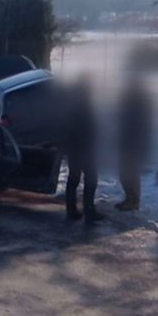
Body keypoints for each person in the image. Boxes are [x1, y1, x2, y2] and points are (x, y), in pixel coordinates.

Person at [61, 76, 104, 225]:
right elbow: (89, 128)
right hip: (84, 148)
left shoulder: (71, 104)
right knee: (91, 180)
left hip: (74, 149)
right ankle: (89, 211)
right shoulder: (85, 105)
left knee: (73, 179)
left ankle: (72, 210)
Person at [117, 72, 152, 211]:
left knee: (131, 171)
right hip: (125, 137)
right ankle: (128, 197)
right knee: (123, 170)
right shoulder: (126, 98)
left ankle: (134, 200)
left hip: (133, 140)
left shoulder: (140, 101)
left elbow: (143, 123)